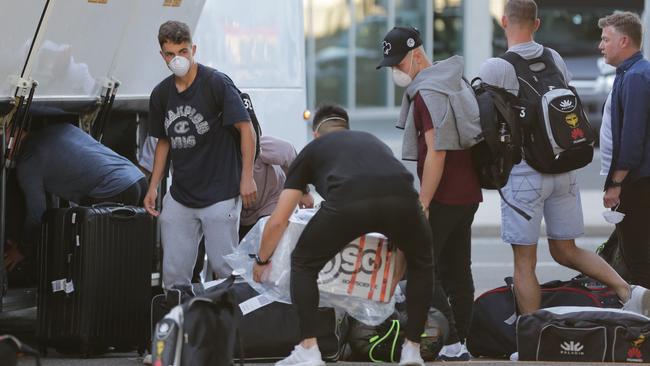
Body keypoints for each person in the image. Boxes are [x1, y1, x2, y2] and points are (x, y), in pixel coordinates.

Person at [477, 0, 649, 317]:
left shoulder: (496, 67)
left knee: (525, 261)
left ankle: (530, 334)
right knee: (565, 249)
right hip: (563, 169)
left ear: (504, 21)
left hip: (525, 174)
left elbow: (486, 125)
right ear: (538, 24)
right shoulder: (553, 57)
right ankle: (629, 291)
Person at [252, 104, 435, 366]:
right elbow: (394, 197)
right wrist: (396, 273)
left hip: (348, 201)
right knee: (424, 263)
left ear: (316, 134)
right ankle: (412, 350)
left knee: (303, 262)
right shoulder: (371, 141)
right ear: (346, 128)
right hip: (404, 200)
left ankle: (309, 349)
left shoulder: (312, 150)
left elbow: (279, 220)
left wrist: (261, 260)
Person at [376, 26, 481, 360]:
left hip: (444, 195)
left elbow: (437, 151)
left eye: (397, 62)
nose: (396, 70)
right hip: (468, 194)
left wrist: (423, 202)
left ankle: (450, 340)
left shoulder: (427, 91)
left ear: (417, 55)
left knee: (425, 268)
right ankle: (463, 340)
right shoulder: (455, 82)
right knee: (457, 270)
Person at [144, 20, 257, 292]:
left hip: (220, 193)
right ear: (162, 56)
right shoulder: (161, 94)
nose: (177, 59)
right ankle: (178, 326)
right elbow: (163, 143)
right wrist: (153, 187)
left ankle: (236, 328)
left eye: (183, 52)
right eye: (170, 54)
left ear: (193, 49)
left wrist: (247, 178)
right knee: (173, 276)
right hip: (182, 195)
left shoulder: (216, 83)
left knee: (226, 270)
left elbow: (246, 129)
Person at [7, 122, 146, 273]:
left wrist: (23, 249)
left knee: (90, 256)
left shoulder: (28, 161)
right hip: (137, 179)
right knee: (124, 250)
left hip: (113, 189)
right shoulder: (61, 128)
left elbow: (36, 214)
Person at [599, 11, 650, 290]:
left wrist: (616, 183)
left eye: (606, 39)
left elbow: (632, 138)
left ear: (624, 41)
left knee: (638, 259)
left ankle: (643, 324)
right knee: (635, 254)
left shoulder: (636, 77)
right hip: (636, 181)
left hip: (637, 183)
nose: (601, 45)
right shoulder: (629, 73)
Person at [239, 135, 314, 240]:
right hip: (241, 213)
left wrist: (303, 191)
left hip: (271, 200)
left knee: (271, 244)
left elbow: (288, 151)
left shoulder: (258, 144)